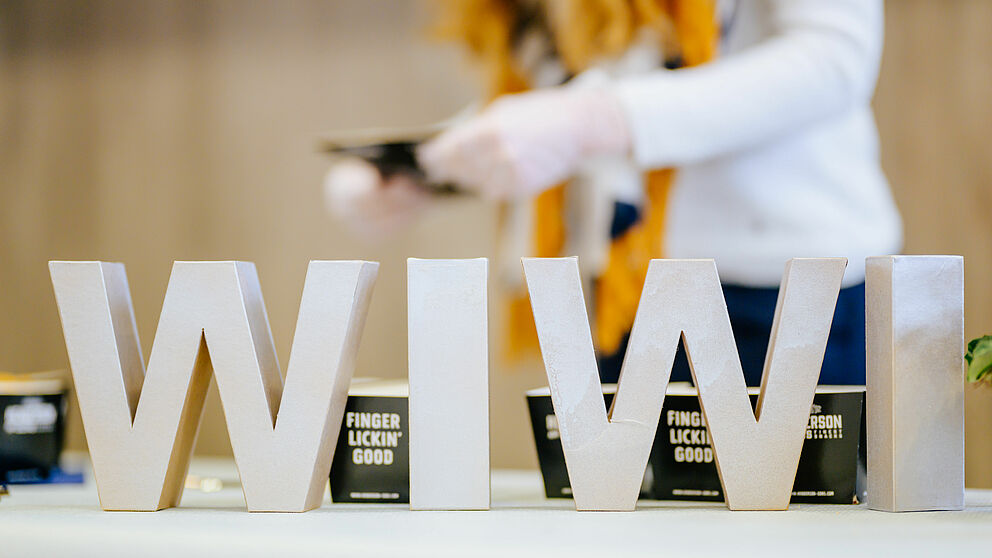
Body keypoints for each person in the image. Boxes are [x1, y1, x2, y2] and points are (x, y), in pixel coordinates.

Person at [324, 0, 902, 386]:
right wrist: (426, 165)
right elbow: (590, 72)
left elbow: (833, 55)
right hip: (622, 292)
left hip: (782, 293)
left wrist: (592, 121)